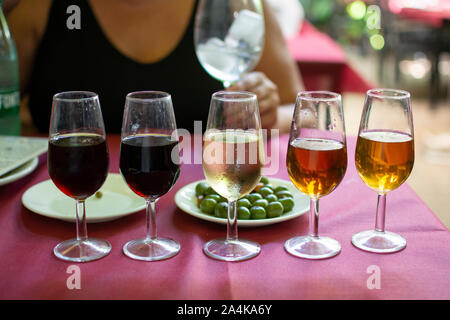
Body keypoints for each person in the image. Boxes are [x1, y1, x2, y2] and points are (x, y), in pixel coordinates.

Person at [5, 0, 303, 133]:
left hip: (199, 214)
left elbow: (300, 113)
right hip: (62, 212)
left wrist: (267, 113)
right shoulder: (41, 5)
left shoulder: (234, 3)